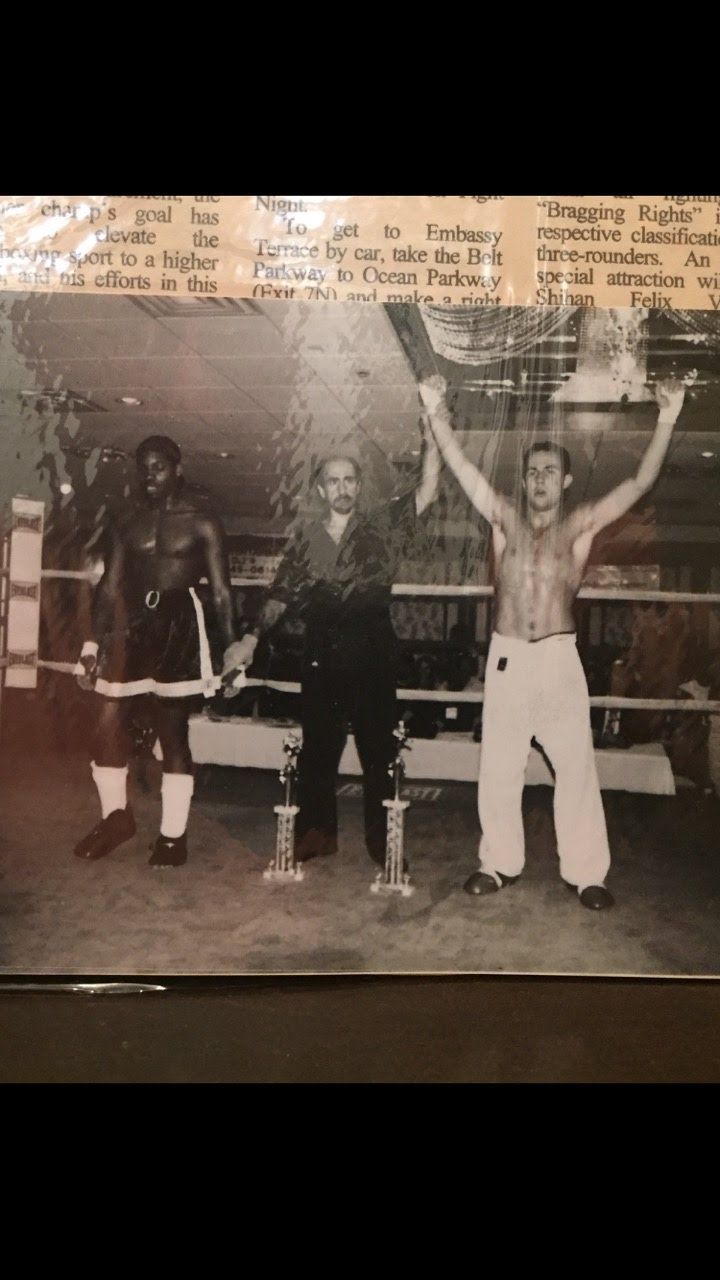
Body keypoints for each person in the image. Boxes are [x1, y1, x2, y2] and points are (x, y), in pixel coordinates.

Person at [419, 373, 687, 909]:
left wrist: (669, 416)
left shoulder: (580, 527)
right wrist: (435, 410)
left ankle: (588, 873)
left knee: (576, 768)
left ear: (566, 482)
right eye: (533, 471)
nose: (540, 478)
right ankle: (498, 864)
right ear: (524, 481)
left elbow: (638, 484)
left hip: (560, 661)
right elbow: (463, 467)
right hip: (509, 658)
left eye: (550, 471)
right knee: (499, 765)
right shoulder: (504, 520)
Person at [229, 433, 440, 867]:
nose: (342, 488)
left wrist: (432, 433)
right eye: (333, 481)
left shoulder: (381, 527)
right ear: (321, 489)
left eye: (349, 480)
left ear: (359, 486)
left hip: (373, 652)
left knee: (379, 752)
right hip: (321, 652)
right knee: (319, 751)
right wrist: (251, 639)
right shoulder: (306, 539)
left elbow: (427, 490)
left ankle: (386, 846)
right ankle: (316, 835)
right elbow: (280, 595)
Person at [73, 435, 245, 866]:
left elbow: (222, 593)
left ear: (178, 469)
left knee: (172, 731)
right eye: (144, 468)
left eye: (159, 467)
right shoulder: (127, 521)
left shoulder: (203, 521)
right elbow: (109, 586)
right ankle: (116, 819)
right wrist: (91, 644)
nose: (150, 476)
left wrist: (233, 653)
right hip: (131, 628)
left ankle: (173, 836)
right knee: (106, 726)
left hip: (178, 626)